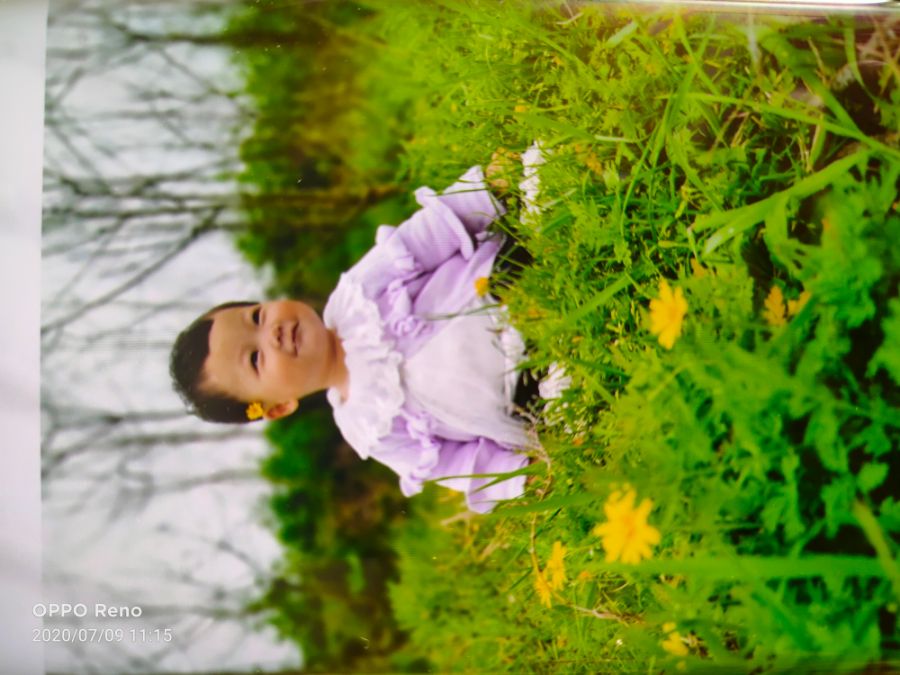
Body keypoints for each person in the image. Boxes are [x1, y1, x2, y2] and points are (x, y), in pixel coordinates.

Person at [170, 160, 545, 513]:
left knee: (519, 271)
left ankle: (540, 282)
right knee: (541, 396)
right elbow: (448, 462)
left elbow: (420, 241)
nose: (272, 333)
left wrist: (482, 195)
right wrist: (514, 475)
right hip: (520, 393)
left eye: (256, 317)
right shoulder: (367, 426)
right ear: (278, 407)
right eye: (255, 358)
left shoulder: (354, 296)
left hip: (501, 286)